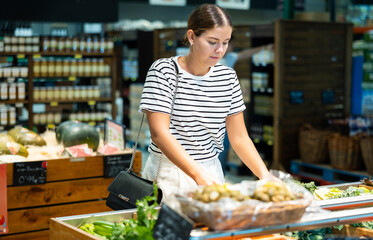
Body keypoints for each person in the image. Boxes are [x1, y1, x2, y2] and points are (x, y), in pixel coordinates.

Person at [139, 3, 273, 198]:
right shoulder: (164, 71)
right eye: (212, 42)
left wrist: (265, 175)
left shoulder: (228, 77)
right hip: (168, 174)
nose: (220, 50)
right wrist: (196, 174)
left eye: (225, 42)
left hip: (211, 172)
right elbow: (160, 133)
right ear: (192, 36)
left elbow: (239, 137)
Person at [219, 37, 274, 173]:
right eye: (228, 44)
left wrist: (264, 47)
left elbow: (245, 54)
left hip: (226, 111)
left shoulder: (229, 59)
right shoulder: (212, 62)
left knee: (226, 143)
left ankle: (220, 173)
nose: (230, 48)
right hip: (216, 111)